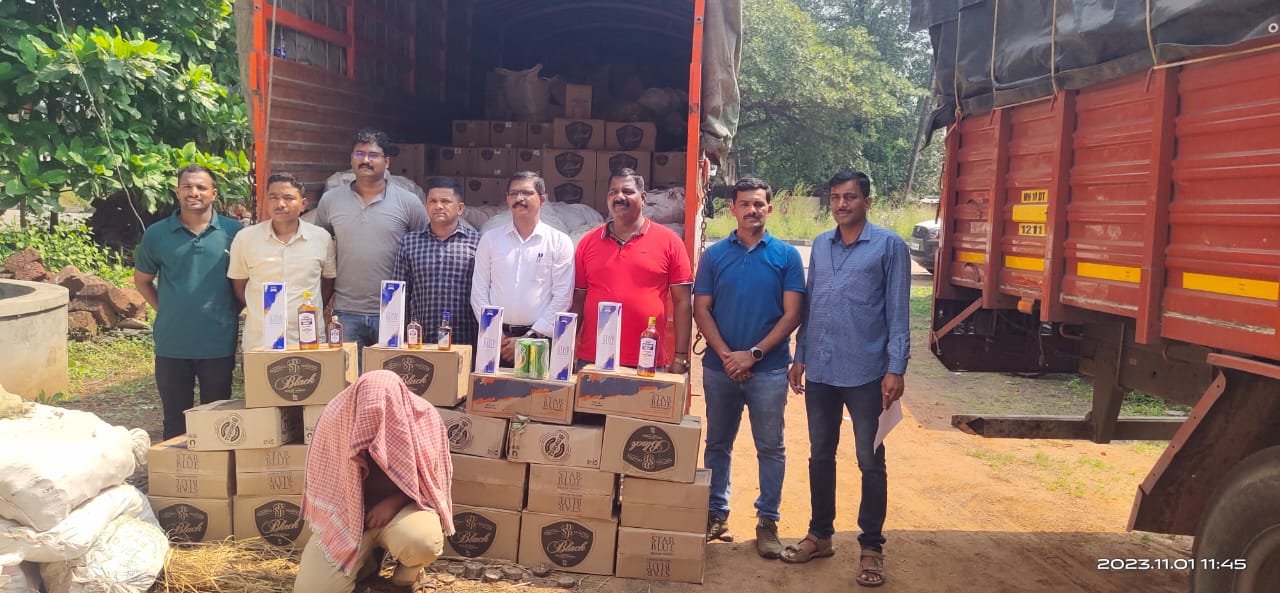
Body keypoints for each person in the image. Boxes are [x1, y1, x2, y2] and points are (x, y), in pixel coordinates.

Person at [781, 170, 910, 588]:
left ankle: (871, 546)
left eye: (850, 197)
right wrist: (800, 356)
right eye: (836, 197)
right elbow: (811, 306)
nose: (841, 204)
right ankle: (820, 535)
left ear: (867, 202)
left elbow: (898, 311)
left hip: (867, 373)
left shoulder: (889, 246)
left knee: (869, 460)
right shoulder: (821, 244)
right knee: (820, 455)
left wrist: (896, 367)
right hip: (821, 369)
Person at [693, 177, 805, 558]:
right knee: (717, 444)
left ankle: (767, 521)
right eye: (745, 203)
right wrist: (728, 355)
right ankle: (715, 514)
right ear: (733, 209)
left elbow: (793, 314)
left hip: (769, 370)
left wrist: (753, 354)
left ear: (769, 209)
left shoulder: (787, 257)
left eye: (759, 204)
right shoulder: (714, 256)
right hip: (719, 368)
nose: (752, 210)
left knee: (770, 447)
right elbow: (701, 308)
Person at [296, 370, 454, 593]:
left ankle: (407, 576)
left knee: (422, 541)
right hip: (346, 516)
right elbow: (325, 483)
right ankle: (367, 563)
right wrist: (352, 513)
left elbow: (432, 485)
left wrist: (394, 502)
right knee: (311, 590)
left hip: (403, 512)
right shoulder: (336, 418)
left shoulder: (424, 418)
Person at [133, 164, 244, 439]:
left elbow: (245, 282)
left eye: (201, 187)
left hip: (218, 342)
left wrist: (231, 310)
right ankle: (175, 466)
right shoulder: (157, 234)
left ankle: (214, 467)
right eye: (187, 187)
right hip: (172, 343)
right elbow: (142, 280)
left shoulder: (234, 232)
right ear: (177, 191)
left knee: (216, 422)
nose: (194, 192)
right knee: (175, 421)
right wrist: (166, 309)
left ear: (213, 193)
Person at [315, 128, 429, 347]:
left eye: (373, 155)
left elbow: (424, 249)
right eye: (359, 154)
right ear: (351, 158)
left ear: (387, 162)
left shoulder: (408, 202)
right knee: (348, 369)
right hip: (346, 311)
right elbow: (320, 251)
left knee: (390, 368)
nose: (365, 160)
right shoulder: (330, 201)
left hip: (392, 310)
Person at [572, 168, 693, 373]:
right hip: (593, 359)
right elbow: (578, 300)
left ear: (643, 198)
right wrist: (568, 352)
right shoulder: (588, 243)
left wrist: (681, 357)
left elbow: (682, 302)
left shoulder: (669, 241)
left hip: (647, 360)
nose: (619, 197)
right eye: (613, 192)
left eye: (627, 191)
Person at [471, 171, 574, 361]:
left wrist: (529, 338)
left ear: (542, 199)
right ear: (507, 199)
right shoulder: (490, 240)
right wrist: (495, 334)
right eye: (513, 193)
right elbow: (479, 292)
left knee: (538, 383)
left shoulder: (559, 242)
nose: (519, 198)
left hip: (539, 340)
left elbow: (562, 297)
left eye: (526, 193)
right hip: (496, 341)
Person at [228, 172, 336, 351]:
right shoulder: (245, 238)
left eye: (288, 198)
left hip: (306, 339)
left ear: (303, 204)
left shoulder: (321, 238)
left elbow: (327, 283)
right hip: (260, 341)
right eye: (273, 197)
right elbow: (239, 285)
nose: (280, 204)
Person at [393, 177, 480, 346]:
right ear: (426, 207)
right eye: (433, 201)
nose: (438, 206)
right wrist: (399, 334)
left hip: (464, 338)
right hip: (421, 339)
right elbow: (399, 294)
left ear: (460, 208)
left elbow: (483, 292)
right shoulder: (410, 242)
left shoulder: (477, 242)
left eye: (445, 201)